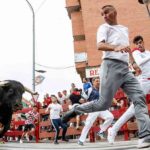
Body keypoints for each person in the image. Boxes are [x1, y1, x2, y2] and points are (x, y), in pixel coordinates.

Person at [62, 5, 150, 149]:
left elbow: (126, 48)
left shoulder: (124, 29)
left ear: (114, 11)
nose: (104, 15)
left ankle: (145, 136)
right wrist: (114, 48)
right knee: (103, 104)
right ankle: (74, 110)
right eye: (102, 14)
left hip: (125, 69)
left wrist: (132, 62)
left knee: (139, 97)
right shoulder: (104, 28)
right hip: (110, 66)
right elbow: (100, 45)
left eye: (106, 12)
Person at [107, 35, 150, 144]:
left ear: (143, 42)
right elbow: (139, 63)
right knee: (132, 110)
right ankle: (113, 129)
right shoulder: (136, 52)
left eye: (141, 42)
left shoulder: (148, 52)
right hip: (143, 82)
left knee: (134, 110)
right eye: (137, 43)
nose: (139, 44)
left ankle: (113, 129)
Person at [78, 77, 114, 145]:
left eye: (99, 81)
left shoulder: (102, 90)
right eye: (97, 81)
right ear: (93, 82)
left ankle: (101, 131)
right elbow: (81, 100)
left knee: (110, 117)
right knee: (88, 124)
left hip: (101, 108)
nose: (98, 82)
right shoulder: (89, 90)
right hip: (93, 108)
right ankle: (81, 140)